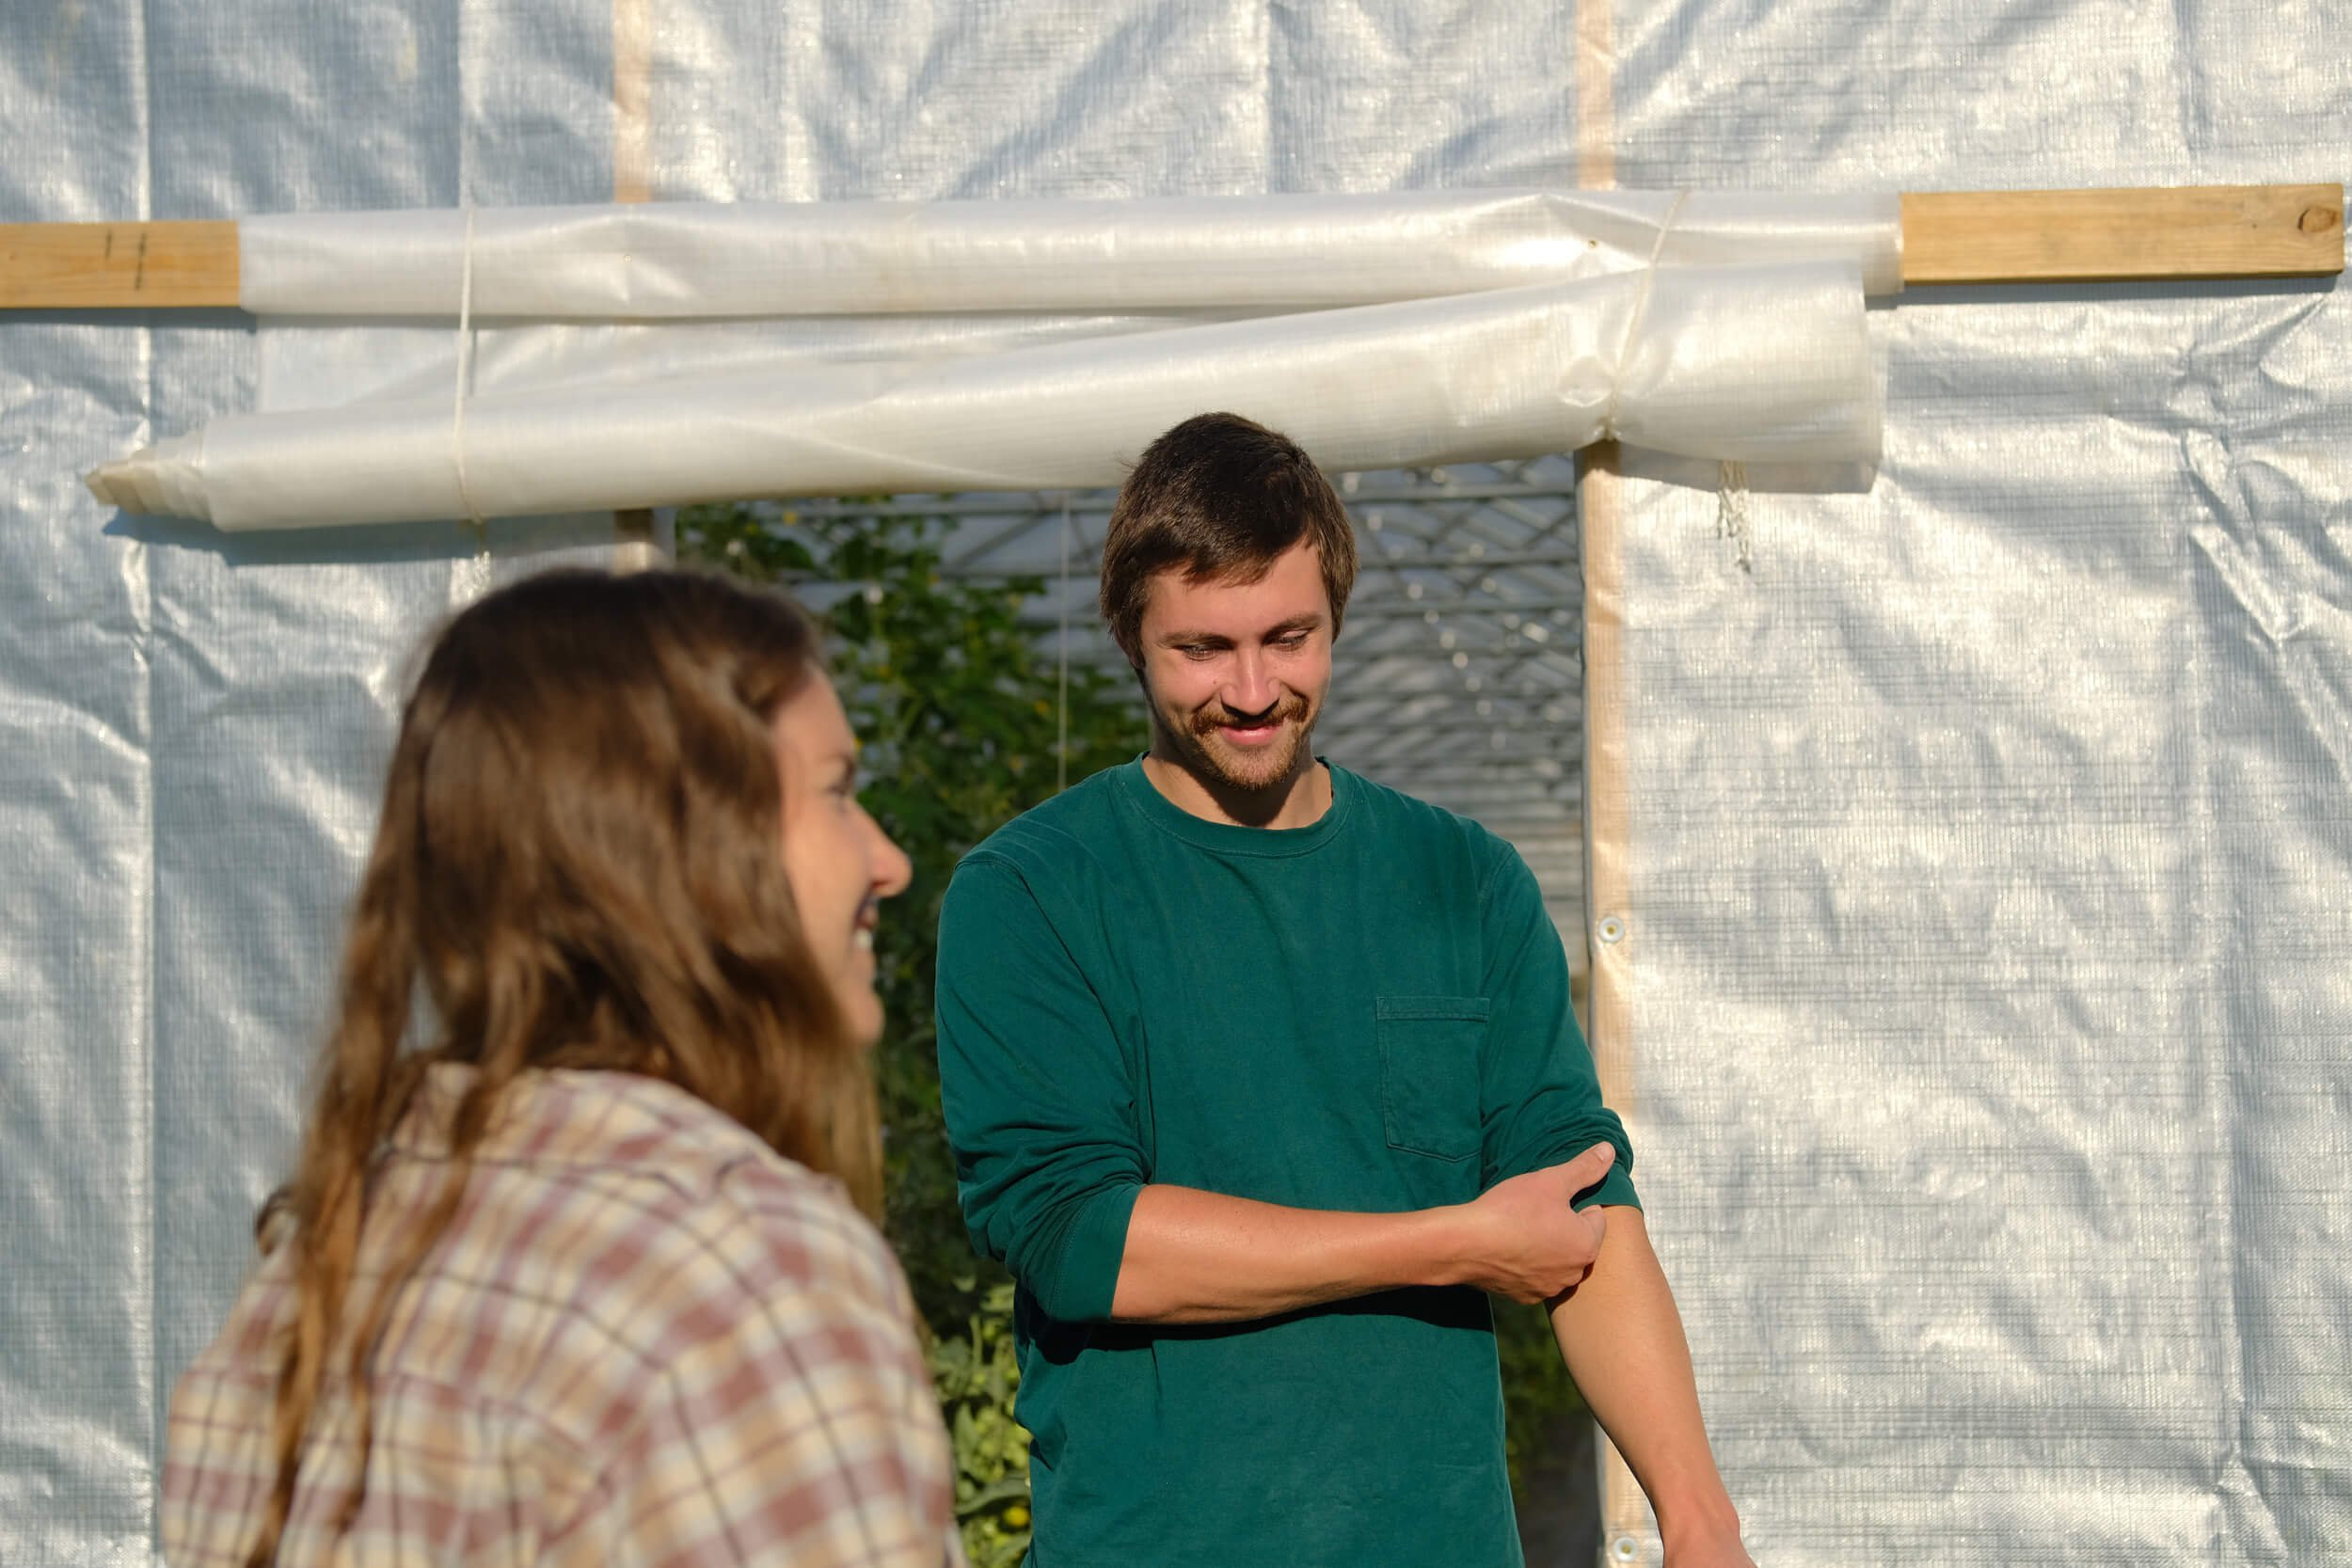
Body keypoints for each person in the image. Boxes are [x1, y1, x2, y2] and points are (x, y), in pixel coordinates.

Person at [935, 414, 1753, 1567]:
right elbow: (1080, 1236)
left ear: (1337, 614)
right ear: (1128, 634)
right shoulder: (1034, 891)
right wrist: (1450, 1241)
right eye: (1203, 648)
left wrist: (1699, 1518)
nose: (1253, 688)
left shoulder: (1461, 881)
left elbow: (1582, 1202)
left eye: (1290, 637)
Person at [162, 568, 960, 1568]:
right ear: (685, 849)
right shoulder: (742, 1271)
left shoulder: (321, 1261)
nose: (888, 860)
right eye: (836, 791)